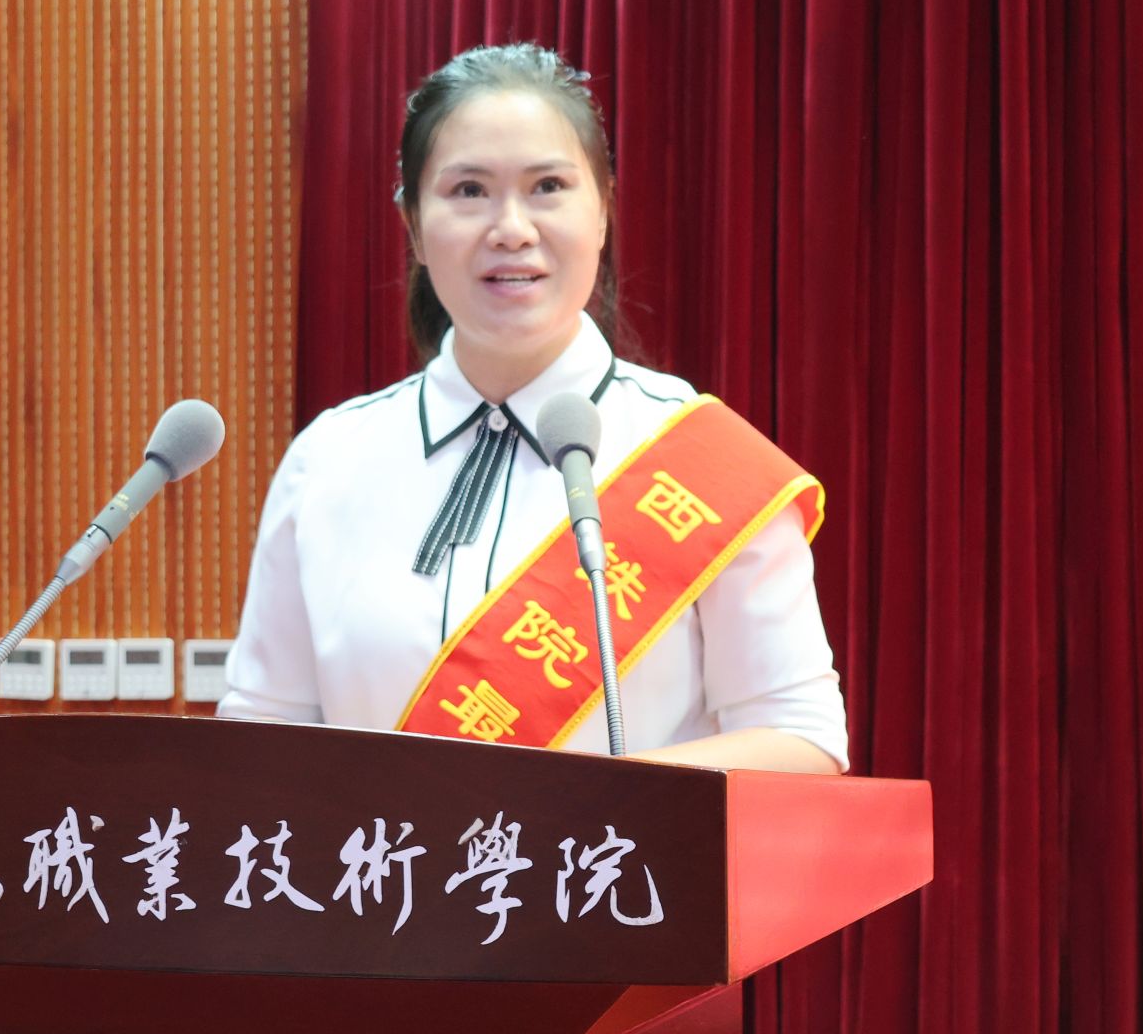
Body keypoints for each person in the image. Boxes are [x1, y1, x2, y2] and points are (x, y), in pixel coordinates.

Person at [220, 43, 847, 774]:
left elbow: (803, 739)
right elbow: (260, 739)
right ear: (414, 226)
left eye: (548, 186)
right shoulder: (329, 461)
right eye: (469, 191)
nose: (511, 228)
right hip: (377, 856)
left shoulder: (703, 463)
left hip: (615, 853)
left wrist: (579, 810)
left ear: (603, 211)